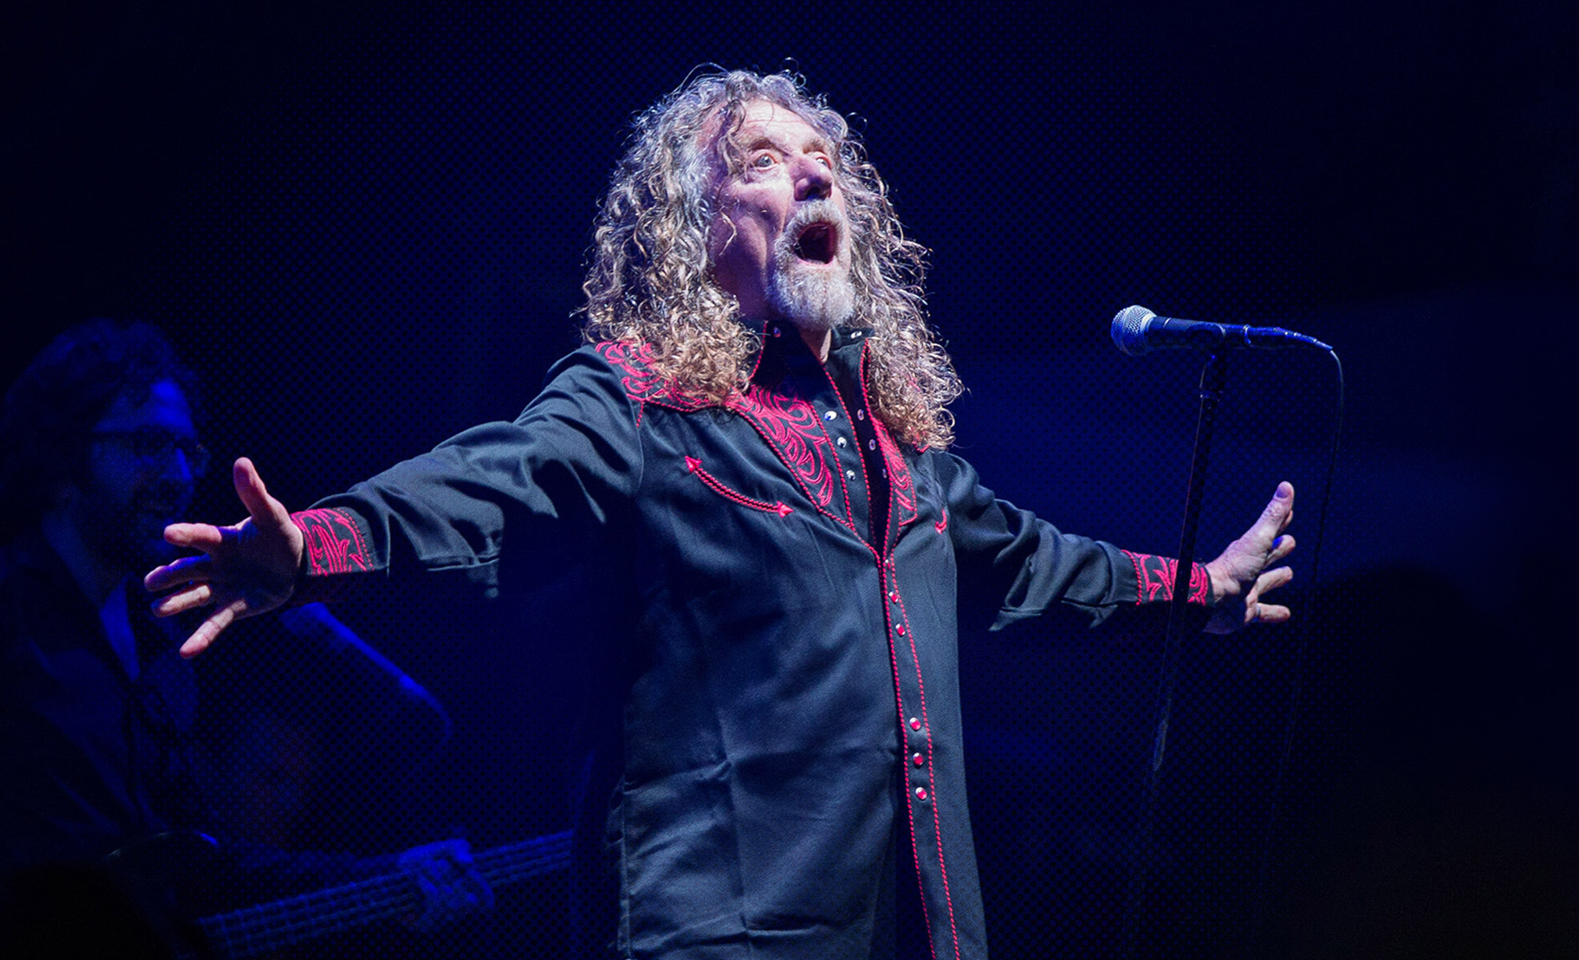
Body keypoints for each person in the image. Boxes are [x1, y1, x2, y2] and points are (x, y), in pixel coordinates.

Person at [145, 70, 1298, 960]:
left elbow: (1043, 565)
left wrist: (1208, 590)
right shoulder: (642, 399)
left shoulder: (907, 459)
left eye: (825, 161)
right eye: (762, 160)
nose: (813, 176)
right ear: (695, 229)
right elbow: (495, 475)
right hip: (705, 935)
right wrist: (323, 544)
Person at [0, 320, 493, 955]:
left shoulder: (165, 645)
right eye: (147, 444)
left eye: (187, 452)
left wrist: (388, 879)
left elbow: (200, 861)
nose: (177, 475)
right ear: (63, 454)